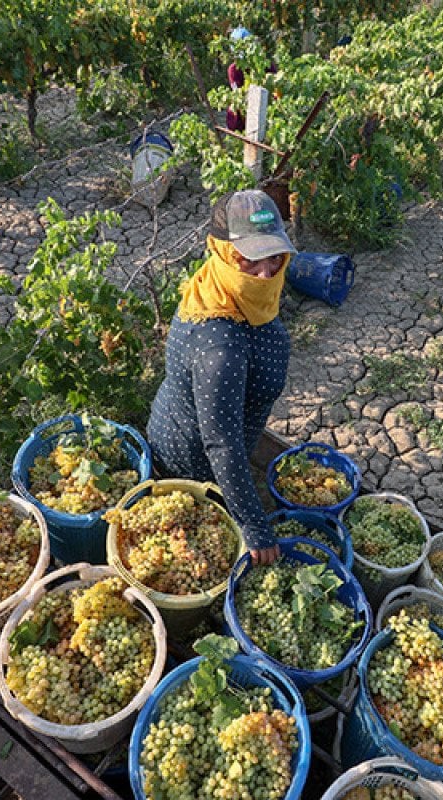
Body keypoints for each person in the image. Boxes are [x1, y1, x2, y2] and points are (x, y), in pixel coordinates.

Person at [147, 190, 297, 566]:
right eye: (250, 260)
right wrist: (256, 529)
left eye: (275, 256)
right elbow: (221, 444)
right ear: (222, 253)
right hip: (195, 464)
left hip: (215, 443)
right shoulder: (219, 345)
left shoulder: (223, 286)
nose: (266, 273)